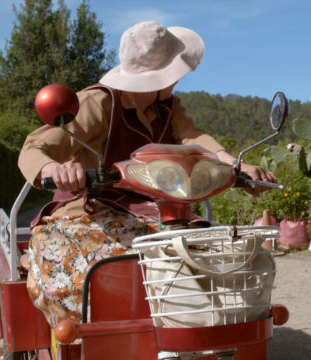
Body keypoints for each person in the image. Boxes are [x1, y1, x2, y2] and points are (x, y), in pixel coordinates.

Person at [18, 21, 276, 326]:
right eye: (176, 73)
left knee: (225, 256)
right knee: (85, 273)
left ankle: (205, 330)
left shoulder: (168, 106)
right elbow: (35, 147)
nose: (178, 80)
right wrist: (56, 169)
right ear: (157, 78)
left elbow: (193, 138)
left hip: (158, 211)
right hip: (93, 210)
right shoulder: (99, 103)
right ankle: (98, 338)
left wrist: (235, 166)